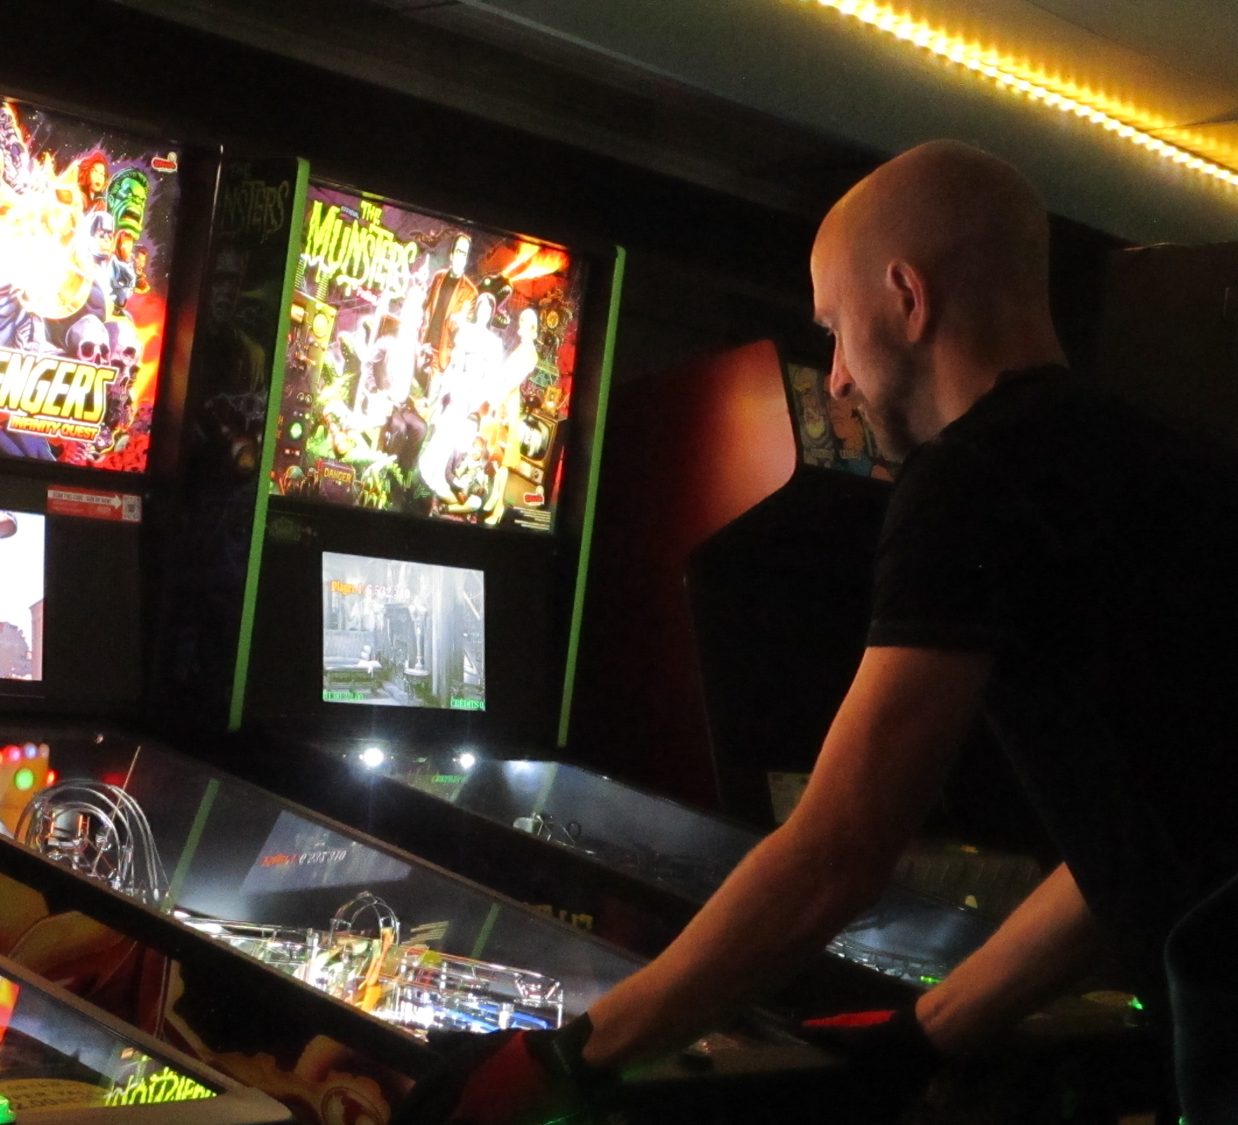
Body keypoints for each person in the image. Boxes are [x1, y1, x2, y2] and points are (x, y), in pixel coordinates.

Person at [398, 139, 1238, 1124]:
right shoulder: (1166, 459)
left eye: (835, 329)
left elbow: (838, 851)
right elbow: (1131, 850)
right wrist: (926, 1032)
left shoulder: (972, 475)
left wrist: (566, 1059)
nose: (835, 378)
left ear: (907, 298)